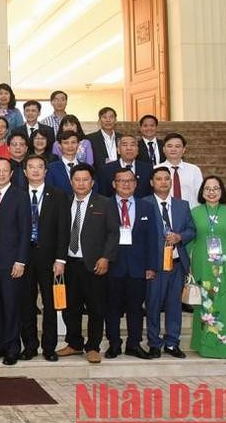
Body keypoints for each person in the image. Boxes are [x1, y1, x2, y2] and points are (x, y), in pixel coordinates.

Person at [56, 164, 118, 364]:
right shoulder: (64, 202)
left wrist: (106, 257)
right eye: (77, 179)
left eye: (85, 180)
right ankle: (74, 343)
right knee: (70, 307)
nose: (81, 183)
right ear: (71, 182)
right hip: (69, 264)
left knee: (96, 308)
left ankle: (93, 347)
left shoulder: (105, 203)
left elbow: (113, 233)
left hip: (94, 264)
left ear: (92, 182)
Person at [104, 167, 159, 360]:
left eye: (129, 181)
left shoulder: (146, 207)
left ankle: (133, 344)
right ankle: (114, 344)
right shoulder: (105, 205)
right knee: (112, 308)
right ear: (114, 184)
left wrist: (151, 266)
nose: (125, 184)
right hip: (112, 265)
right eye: (121, 181)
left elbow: (152, 239)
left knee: (136, 308)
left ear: (136, 184)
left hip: (138, 267)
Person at [20, 155, 69, 362]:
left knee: (50, 304)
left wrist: (61, 259)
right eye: (31, 167)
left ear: (46, 171)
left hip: (49, 258)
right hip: (24, 257)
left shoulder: (58, 195)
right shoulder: (18, 195)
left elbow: (64, 230)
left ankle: (49, 347)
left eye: (40, 167)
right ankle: (29, 346)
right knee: (26, 303)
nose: (35, 170)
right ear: (25, 172)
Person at [144, 167, 195, 358]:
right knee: (153, 305)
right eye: (159, 179)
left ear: (171, 182)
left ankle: (172, 343)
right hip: (155, 266)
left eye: (167, 179)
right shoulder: (144, 204)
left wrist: (180, 236)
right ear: (152, 182)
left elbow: (191, 229)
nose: (163, 182)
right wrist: (146, 265)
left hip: (177, 263)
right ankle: (154, 343)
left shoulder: (182, 205)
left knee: (174, 305)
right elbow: (140, 236)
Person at [189, 176, 226, 358]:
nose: (211, 192)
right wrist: (187, 262)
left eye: (216, 188)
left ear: (221, 191)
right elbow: (190, 240)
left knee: (224, 303)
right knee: (205, 302)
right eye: (208, 188)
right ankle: (205, 346)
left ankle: (225, 345)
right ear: (202, 192)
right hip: (202, 264)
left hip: (223, 264)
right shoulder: (195, 212)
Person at [0, 158, 30, 366]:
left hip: (11, 262)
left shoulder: (20, 196)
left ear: (11, 173)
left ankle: (12, 347)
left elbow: (25, 231)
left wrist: (21, 261)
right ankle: (0, 343)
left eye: (5, 170)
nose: (1, 174)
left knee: (11, 305)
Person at [156, 132, 204, 208]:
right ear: (164, 149)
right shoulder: (156, 170)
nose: (173, 149)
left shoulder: (194, 170)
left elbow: (201, 195)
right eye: (169, 146)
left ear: (184, 149)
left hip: (191, 212)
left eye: (177, 146)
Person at [98, 134, 153, 198]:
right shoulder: (106, 170)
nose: (129, 148)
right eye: (125, 145)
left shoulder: (148, 169)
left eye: (132, 145)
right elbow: (103, 196)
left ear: (138, 150)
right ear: (118, 150)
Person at [85, 107, 119, 174]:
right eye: (104, 117)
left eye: (111, 117)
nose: (108, 120)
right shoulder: (90, 139)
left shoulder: (122, 138)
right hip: (99, 175)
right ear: (99, 121)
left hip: (120, 176)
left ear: (115, 120)